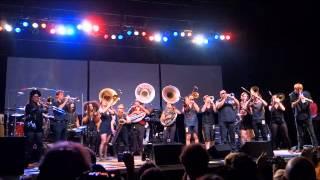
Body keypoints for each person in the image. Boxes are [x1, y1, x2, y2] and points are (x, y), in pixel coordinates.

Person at [289, 83, 318, 151]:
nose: (298, 91)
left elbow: (311, 101)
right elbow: (292, 105)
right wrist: (299, 99)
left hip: (307, 116)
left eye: (299, 89)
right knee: (299, 134)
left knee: (311, 132)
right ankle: (300, 147)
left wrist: (304, 98)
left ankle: (315, 147)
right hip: (298, 116)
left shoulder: (306, 93)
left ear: (302, 89)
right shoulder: (292, 94)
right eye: (296, 89)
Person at [24, 89, 47, 163]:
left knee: (40, 145)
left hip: (39, 129)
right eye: (36, 96)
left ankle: (39, 160)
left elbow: (45, 111)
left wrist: (45, 106)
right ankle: (27, 161)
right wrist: (39, 106)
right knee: (29, 145)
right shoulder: (28, 106)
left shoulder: (39, 105)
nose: (37, 98)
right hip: (31, 129)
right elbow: (32, 111)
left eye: (38, 97)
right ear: (32, 97)